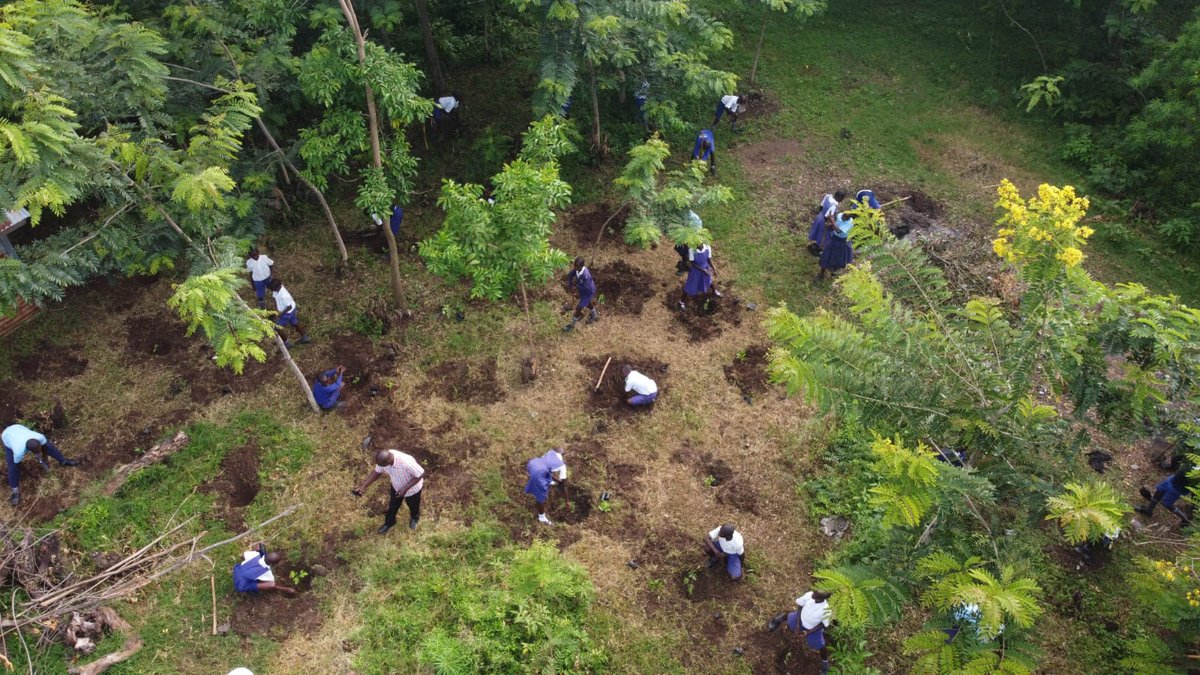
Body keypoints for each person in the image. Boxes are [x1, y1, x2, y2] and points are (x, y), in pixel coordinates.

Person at [2, 423, 79, 506]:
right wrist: (30, 473)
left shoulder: (39, 437)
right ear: (28, 450)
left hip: (18, 428)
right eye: (36, 451)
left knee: (49, 446)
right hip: (7, 436)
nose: (39, 451)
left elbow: (45, 447)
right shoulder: (18, 450)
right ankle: (15, 491)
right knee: (12, 466)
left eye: (39, 448)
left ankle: (63, 461)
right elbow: (18, 464)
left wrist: (45, 460)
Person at [352, 449, 425, 534]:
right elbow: (377, 472)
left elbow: (421, 473)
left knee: (413, 505)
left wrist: (405, 488)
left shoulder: (406, 462)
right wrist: (363, 487)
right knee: (393, 506)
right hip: (396, 486)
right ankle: (389, 523)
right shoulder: (384, 459)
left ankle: (414, 518)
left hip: (412, 489)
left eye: (383, 465)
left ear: (389, 460)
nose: (382, 467)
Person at [768, 590, 834, 674]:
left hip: (813, 628)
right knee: (789, 616)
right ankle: (777, 619)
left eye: (816, 595)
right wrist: (798, 624)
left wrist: (809, 632)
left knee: (821, 646)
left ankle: (825, 664)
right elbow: (800, 605)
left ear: (822, 598)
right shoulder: (810, 595)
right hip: (800, 619)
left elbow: (823, 625)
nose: (813, 594)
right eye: (815, 592)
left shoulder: (826, 609)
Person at [524, 448, 568, 525]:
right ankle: (542, 517)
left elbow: (546, 470)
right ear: (562, 455)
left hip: (532, 463)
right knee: (542, 495)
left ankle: (547, 482)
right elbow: (564, 486)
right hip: (538, 472)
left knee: (543, 474)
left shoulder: (550, 452)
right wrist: (567, 500)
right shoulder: (562, 465)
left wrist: (558, 481)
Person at [232, 543, 296, 596]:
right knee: (271, 584)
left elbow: (243, 555)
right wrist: (286, 589)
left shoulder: (256, 554)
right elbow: (272, 585)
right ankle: (248, 587)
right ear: (274, 564)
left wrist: (254, 550)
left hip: (236, 569)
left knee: (247, 568)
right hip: (241, 584)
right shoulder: (267, 573)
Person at [267, 278, 310, 346]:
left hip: (288, 312)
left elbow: (288, 307)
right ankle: (305, 337)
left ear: (276, 288)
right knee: (294, 322)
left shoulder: (284, 295)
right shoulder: (279, 287)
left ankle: (286, 343)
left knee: (277, 327)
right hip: (292, 308)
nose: (271, 290)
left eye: (272, 289)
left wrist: (280, 315)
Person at [679, 240, 717, 311]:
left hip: (706, 268)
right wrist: (703, 270)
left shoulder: (707, 247)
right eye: (696, 244)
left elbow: (709, 259)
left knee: (709, 280)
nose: (698, 245)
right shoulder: (692, 250)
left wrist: (713, 268)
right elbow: (692, 263)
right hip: (696, 271)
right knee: (690, 286)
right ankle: (681, 302)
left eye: (699, 244)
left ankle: (714, 291)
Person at [815, 213, 854, 282]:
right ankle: (821, 274)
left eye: (845, 218)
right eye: (843, 217)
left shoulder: (850, 223)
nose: (843, 218)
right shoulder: (840, 215)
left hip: (842, 242)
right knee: (826, 256)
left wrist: (832, 221)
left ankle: (834, 270)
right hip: (834, 239)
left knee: (837, 259)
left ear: (849, 218)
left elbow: (839, 231)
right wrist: (830, 225)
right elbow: (836, 225)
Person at [563, 256, 598, 332]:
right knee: (588, 303)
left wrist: (576, 286)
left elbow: (586, 288)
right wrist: (570, 285)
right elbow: (570, 275)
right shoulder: (577, 269)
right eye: (574, 266)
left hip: (588, 292)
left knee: (578, 308)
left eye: (576, 266)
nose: (575, 268)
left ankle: (571, 326)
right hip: (583, 291)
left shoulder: (586, 275)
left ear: (582, 266)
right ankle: (594, 315)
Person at [674, 211, 703, 275]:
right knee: (683, 252)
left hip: (692, 238)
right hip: (684, 237)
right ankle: (684, 266)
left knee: (688, 253)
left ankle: (685, 267)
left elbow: (698, 230)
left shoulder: (694, 219)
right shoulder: (682, 216)